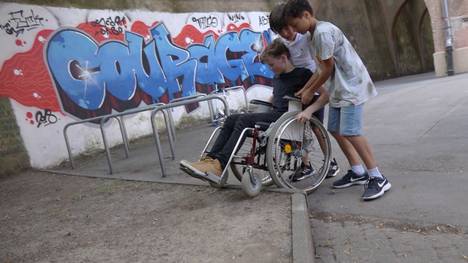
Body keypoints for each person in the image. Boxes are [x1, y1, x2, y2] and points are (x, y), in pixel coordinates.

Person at [283, 0, 391, 201]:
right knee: (335, 128)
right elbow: (320, 68)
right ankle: (357, 171)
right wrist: (305, 89)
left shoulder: (323, 33)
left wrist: (311, 91)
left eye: (295, 25)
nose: (294, 30)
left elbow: (328, 69)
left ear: (307, 15)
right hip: (339, 89)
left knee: (351, 131)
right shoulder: (313, 35)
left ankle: (377, 177)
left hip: (351, 87)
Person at [180, 39, 315, 184]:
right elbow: (276, 97)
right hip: (275, 115)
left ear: (283, 58)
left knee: (244, 121)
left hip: (288, 118)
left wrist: (309, 111)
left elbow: (324, 95)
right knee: (232, 118)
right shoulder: (278, 77)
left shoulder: (303, 74)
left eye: (271, 64)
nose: (270, 68)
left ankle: (219, 164)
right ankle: (211, 160)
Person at [269, 2, 340, 179]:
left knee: (316, 128)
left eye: (288, 28)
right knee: (297, 128)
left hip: (315, 82)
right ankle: (305, 164)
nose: (286, 33)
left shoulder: (306, 36)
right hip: (296, 85)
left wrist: (312, 87)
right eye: (281, 31)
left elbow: (322, 65)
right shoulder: (281, 42)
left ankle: (331, 161)